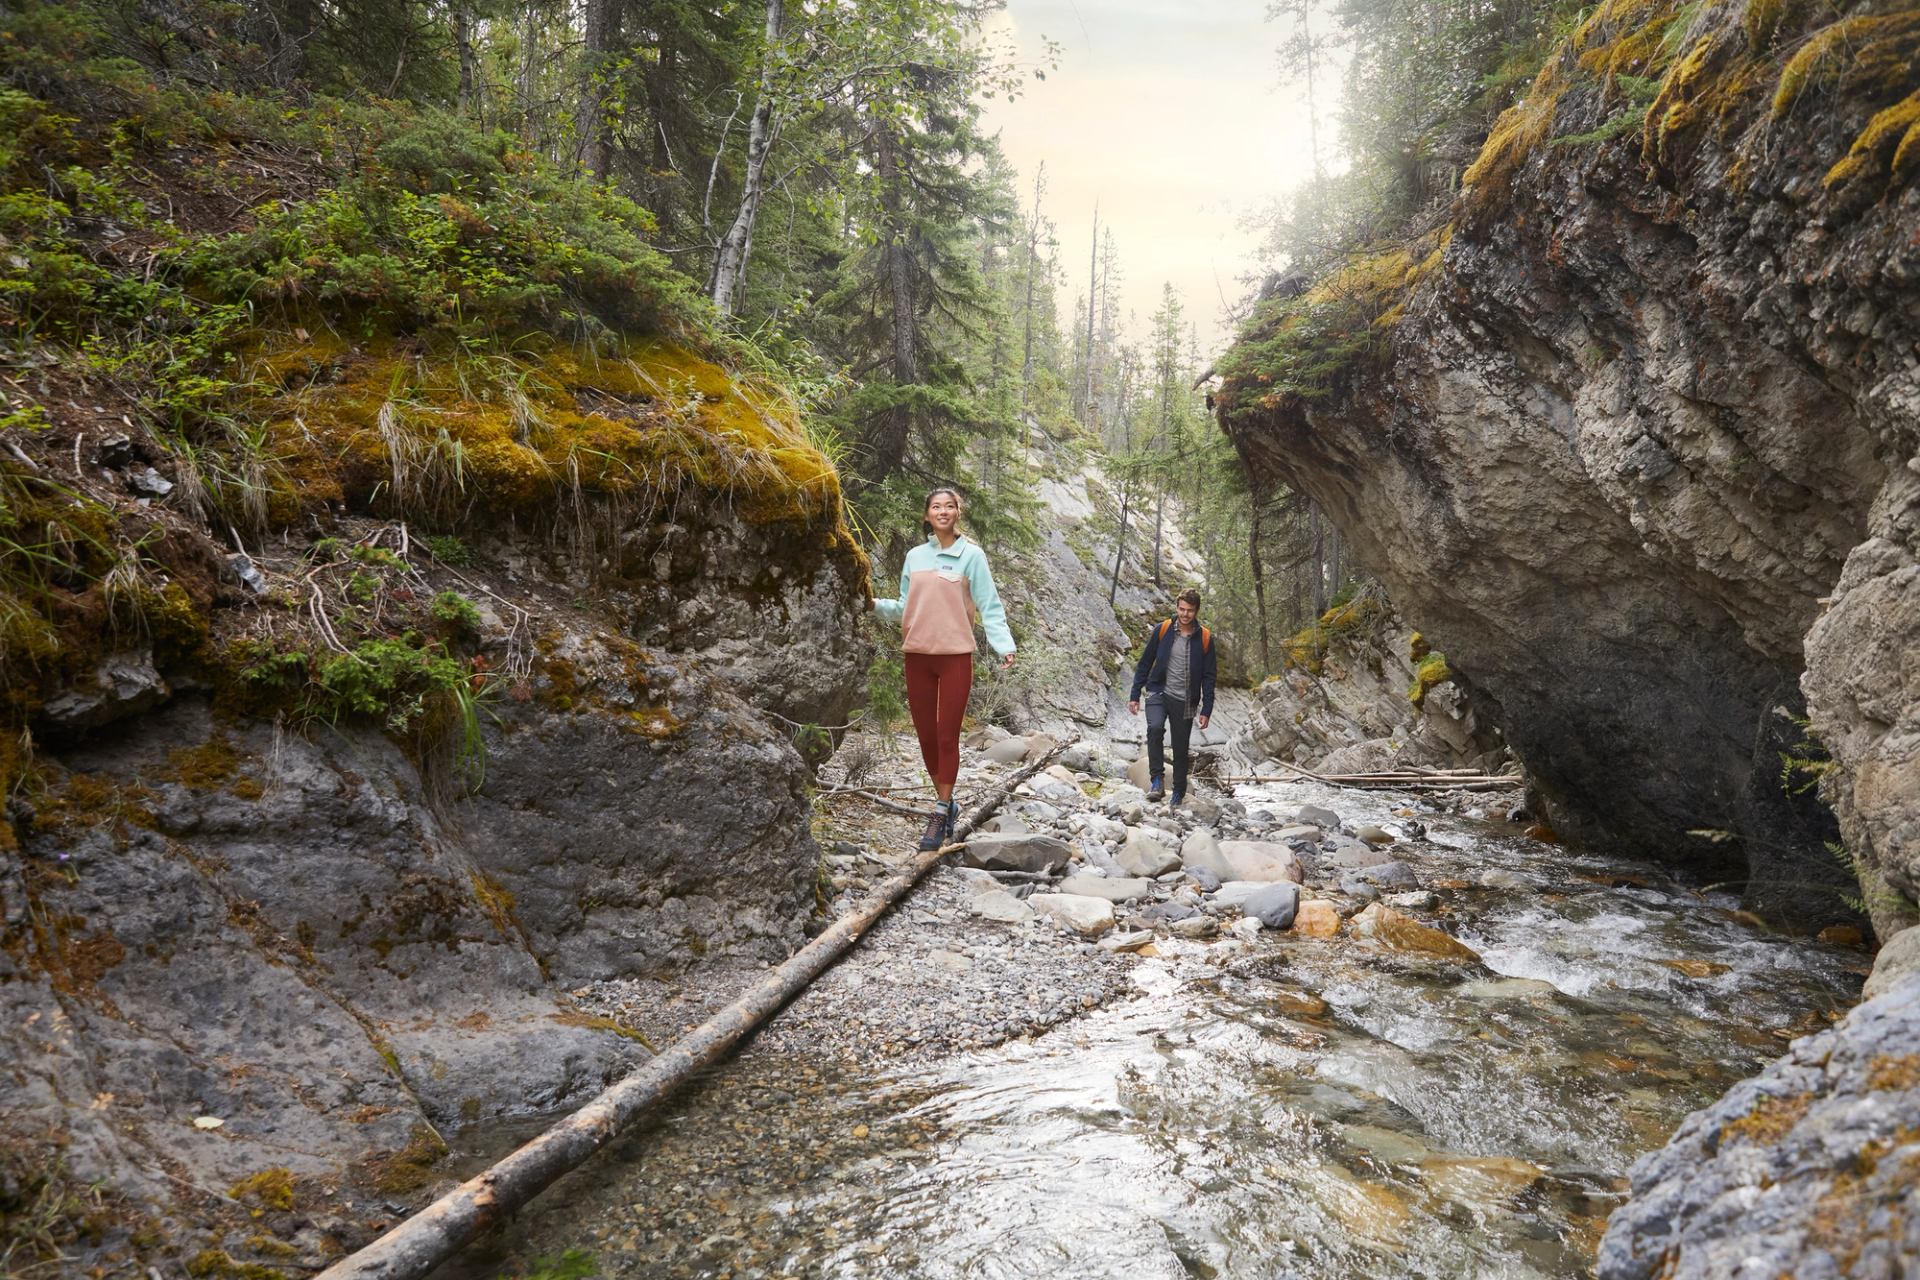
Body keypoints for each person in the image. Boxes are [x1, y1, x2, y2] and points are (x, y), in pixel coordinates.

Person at [872, 488, 1016, 850]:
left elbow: (989, 603)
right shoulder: (915, 557)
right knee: (925, 736)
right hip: (917, 655)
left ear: (957, 514)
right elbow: (905, 607)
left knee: (947, 734)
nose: (943, 511)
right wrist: (870, 603)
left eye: (949, 506)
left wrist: (1003, 644)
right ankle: (947, 803)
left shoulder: (972, 556)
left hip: (955, 657)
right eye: (936, 506)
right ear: (927, 515)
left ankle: (938, 812)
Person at [1127, 589, 1216, 806]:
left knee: (1180, 745)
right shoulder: (1163, 629)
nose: (1185, 614)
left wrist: (1206, 709)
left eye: (1190, 611)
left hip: (1186, 700)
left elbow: (1209, 675)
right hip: (1158, 691)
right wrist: (1135, 694)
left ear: (1196, 611)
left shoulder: (1204, 637)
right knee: (1155, 728)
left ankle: (1178, 791)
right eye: (1182, 609)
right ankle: (1156, 780)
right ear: (1177, 607)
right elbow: (1145, 663)